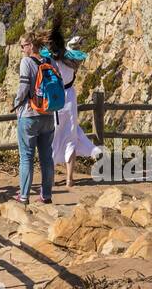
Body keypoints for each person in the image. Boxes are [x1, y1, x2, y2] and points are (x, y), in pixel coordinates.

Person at [48, 35, 102, 188]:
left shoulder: (52, 61)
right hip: (69, 99)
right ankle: (69, 178)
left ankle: (51, 178)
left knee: (52, 138)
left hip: (55, 97)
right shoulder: (73, 62)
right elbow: (76, 53)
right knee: (70, 137)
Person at [13, 33, 57, 204]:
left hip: (30, 114)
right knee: (47, 156)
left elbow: (23, 87)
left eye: (23, 45)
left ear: (31, 45)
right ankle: (46, 195)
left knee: (26, 157)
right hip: (48, 114)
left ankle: (24, 196)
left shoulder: (27, 62)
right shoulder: (50, 61)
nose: (22, 49)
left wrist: (17, 104)